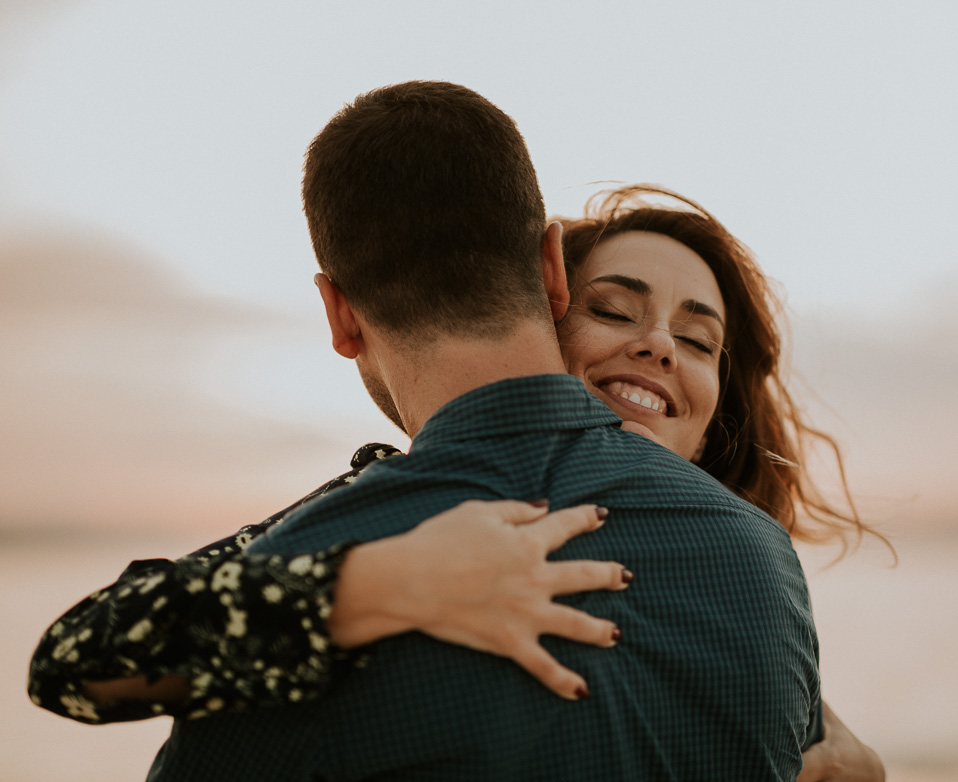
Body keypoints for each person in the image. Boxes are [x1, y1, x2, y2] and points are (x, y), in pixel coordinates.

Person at [29, 88, 883, 778]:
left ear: (338, 313)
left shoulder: (316, 563)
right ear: (551, 276)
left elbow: (78, 663)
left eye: (697, 340)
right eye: (613, 309)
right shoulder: (760, 566)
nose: (655, 347)